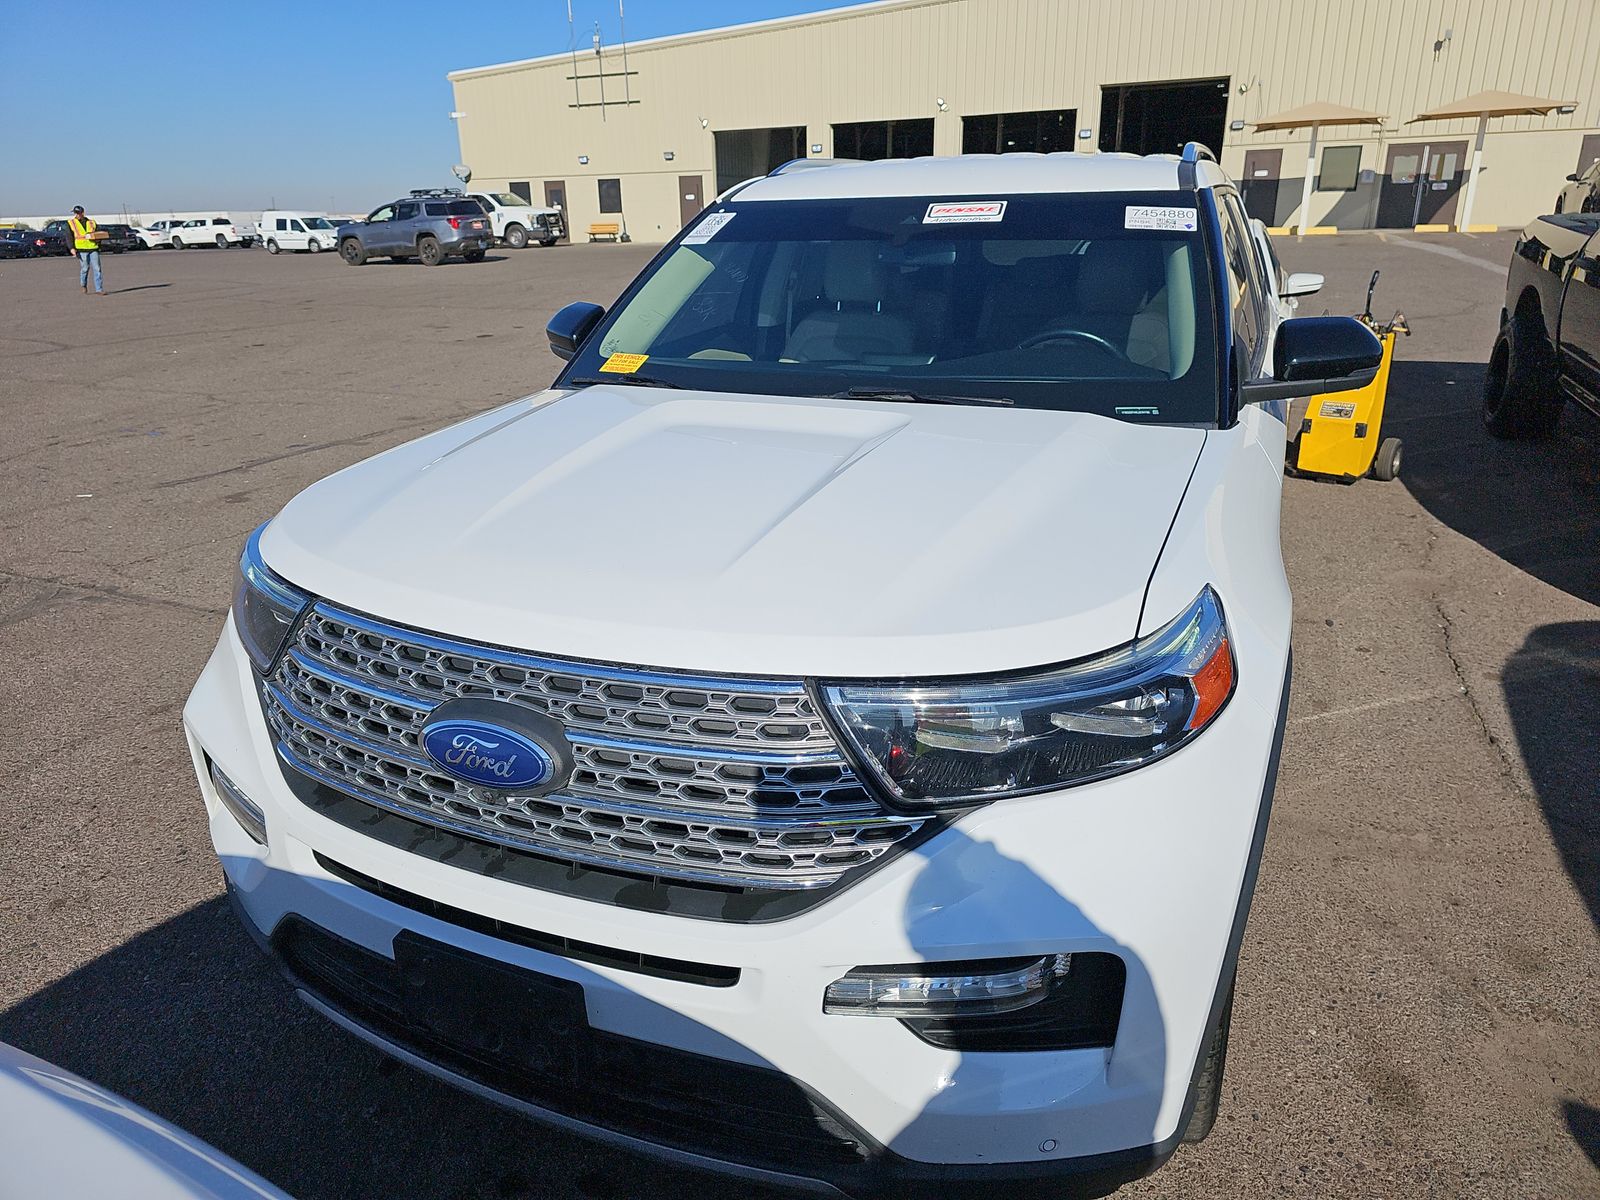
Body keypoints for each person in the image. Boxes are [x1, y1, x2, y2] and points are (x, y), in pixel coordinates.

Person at [67, 205, 104, 296]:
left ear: (83, 213)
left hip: (93, 248)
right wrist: (72, 248)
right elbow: (69, 237)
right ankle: (83, 285)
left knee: (97, 269)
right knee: (85, 268)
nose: (77, 215)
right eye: (76, 213)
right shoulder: (71, 223)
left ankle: (99, 289)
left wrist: (97, 241)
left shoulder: (92, 222)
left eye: (78, 213)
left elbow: (98, 234)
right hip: (81, 249)